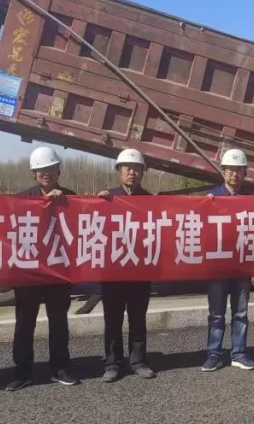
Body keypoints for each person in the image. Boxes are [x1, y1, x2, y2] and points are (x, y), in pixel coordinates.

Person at [6, 147, 81, 391]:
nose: (46, 173)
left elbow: (86, 223)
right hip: (29, 272)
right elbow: (6, 220)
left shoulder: (70, 197)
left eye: (50, 168)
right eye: (41, 170)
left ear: (58, 171)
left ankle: (60, 368)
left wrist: (66, 202)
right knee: (24, 324)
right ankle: (22, 372)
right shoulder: (23, 198)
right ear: (34, 173)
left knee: (58, 322)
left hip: (58, 271)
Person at [97, 148, 157, 382]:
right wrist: (96, 203)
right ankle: (112, 363)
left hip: (140, 270)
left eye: (137, 169)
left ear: (142, 172)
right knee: (112, 319)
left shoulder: (150, 201)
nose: (132, 173)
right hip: (113, 270)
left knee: (137, 318)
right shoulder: (107, 198)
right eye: (127, 168)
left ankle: (138, 361)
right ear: (119, 171)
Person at [200, 148, 254, 372]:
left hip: (242, 266)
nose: (235, 174)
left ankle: (239, 353)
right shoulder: (211, 197)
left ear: (245, 173)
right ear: (223, 172)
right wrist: (205, 205)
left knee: (240, 313)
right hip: (218, 266)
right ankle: (214, 354)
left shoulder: (250, 200)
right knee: (216, 314)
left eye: (239, 170)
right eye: (230, 170)